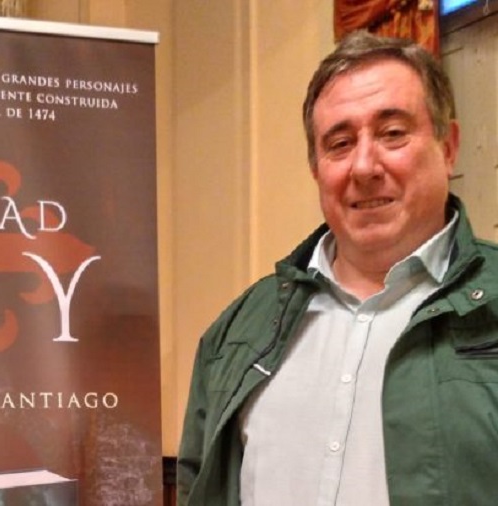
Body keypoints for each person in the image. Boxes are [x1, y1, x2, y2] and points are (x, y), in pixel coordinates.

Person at [177, 30, 498, 506]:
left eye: (392, 133)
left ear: (448, 147)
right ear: (316, 168)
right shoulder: (237, 332)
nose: (364, 166)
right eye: (340, 143)